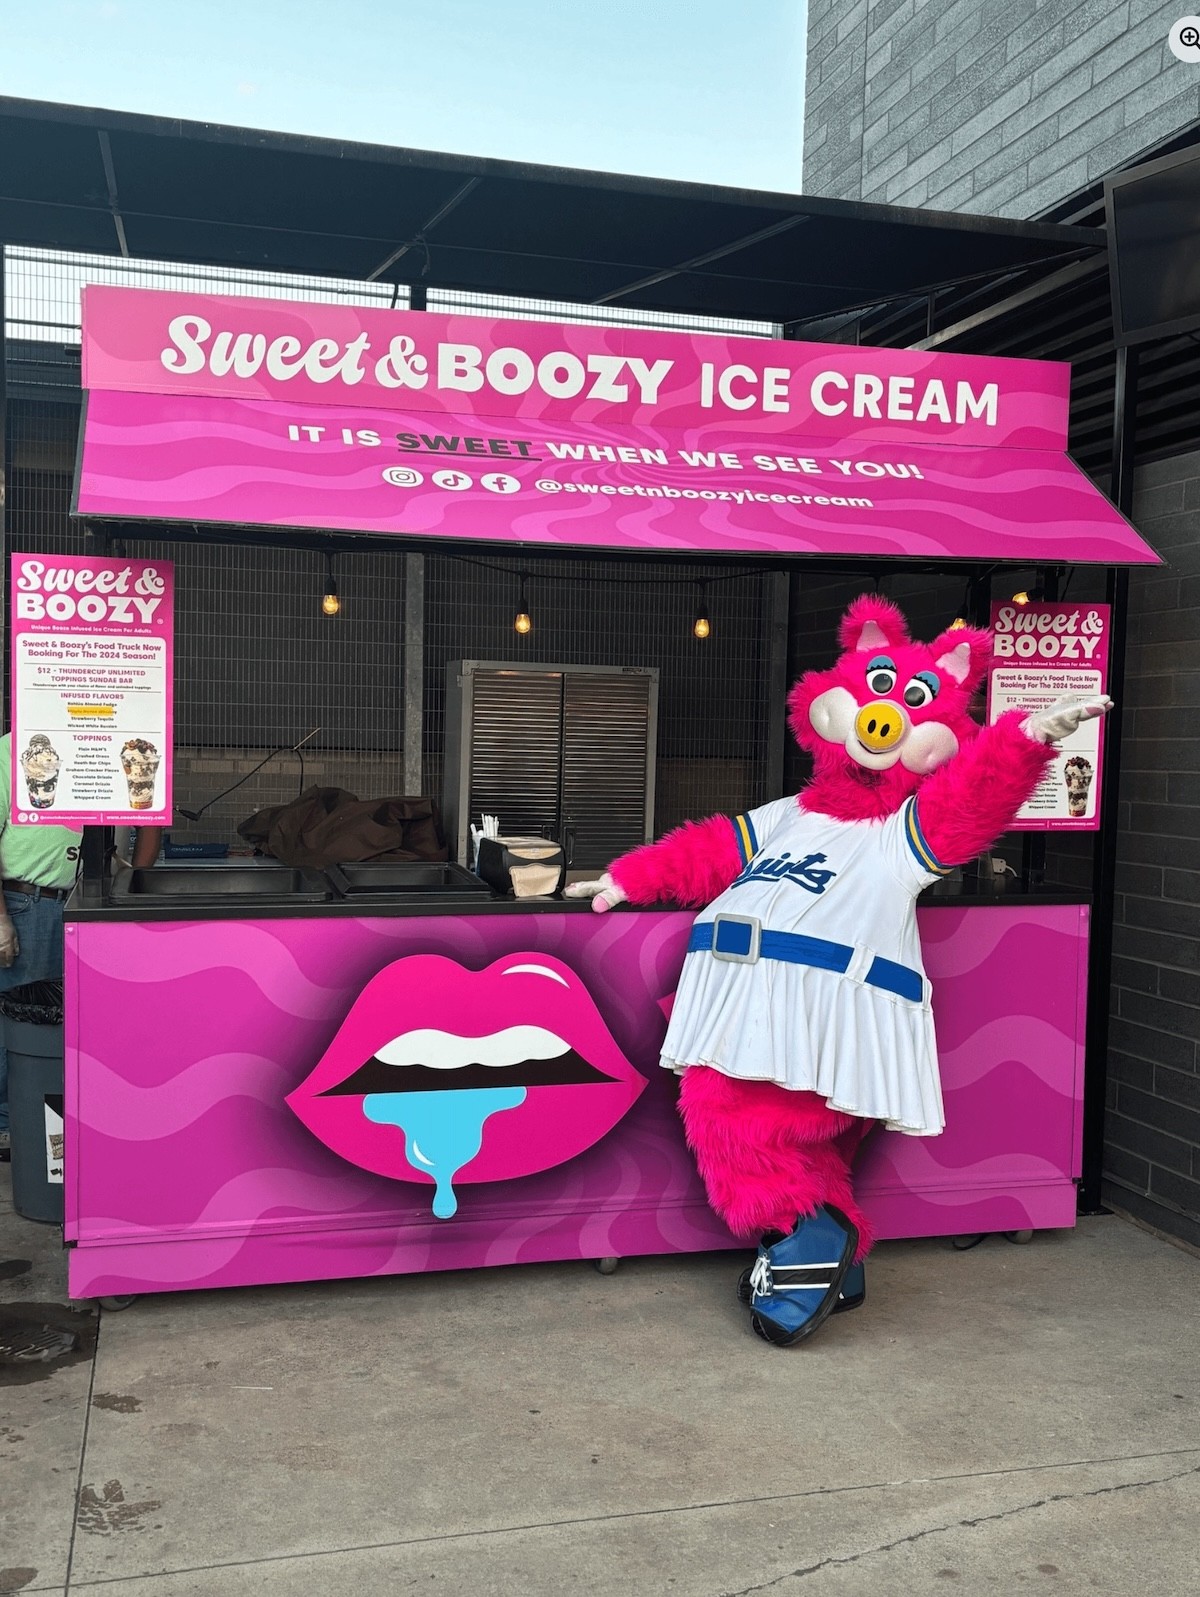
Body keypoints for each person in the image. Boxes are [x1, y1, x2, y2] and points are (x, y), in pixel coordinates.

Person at [0, 731, 159, 1160]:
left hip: (83, 899)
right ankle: (13, 1124)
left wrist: (129, 877)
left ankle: (59, 1118)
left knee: (72, 1019)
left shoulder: (96, 745)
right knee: (24, 1022)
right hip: (27, 902)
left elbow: (147, 817)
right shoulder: (6, 753)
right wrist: (1, 919)